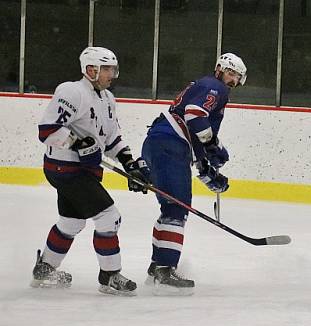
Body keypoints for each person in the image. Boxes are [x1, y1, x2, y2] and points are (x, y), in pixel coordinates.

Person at [33, 46, 150, 296]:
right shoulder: (72, 91)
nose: (111, 74)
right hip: (65, 168)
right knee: (109, 217)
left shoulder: (107, 99)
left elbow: (112, 140)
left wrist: (130, 164)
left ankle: (44, 269)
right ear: (90, 69)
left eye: (112, 69)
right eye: (106, 69)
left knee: (71, 222)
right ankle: (109, 276)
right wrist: (77, 143)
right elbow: (47, 130)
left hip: (82, 171)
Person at [142, 53, 247, 295]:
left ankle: (158, 265)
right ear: (219, 69)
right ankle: (165, 269)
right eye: (230, 73)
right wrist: (212, 144)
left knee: (171, 208)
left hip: (163, 145)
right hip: (169, 144)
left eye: (237, 77)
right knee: (177, 209)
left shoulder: (206, 87)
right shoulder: (214, 86)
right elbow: (194, 115)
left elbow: (197, 139)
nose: (232, 80)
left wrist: (209, 171)